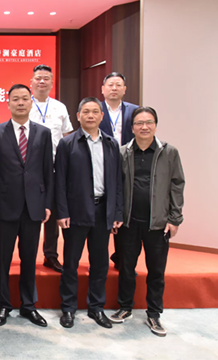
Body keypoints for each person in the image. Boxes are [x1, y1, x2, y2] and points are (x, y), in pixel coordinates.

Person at [109, 107, 185, 337]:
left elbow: (177, 184)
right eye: (139, 123)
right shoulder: (123, 152)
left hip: (158, 224)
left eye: (149, 122)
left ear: (155, 125)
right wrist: (116, 215)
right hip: (129, 222)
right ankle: (125, 307)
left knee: (156, 271)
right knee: (126, 268)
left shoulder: (169, 152)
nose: (144, 127)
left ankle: (154, 313)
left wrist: (175, 218)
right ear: (132, 128)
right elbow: (115, 186)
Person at [0, 84, 54, 327]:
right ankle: (3, 304)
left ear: (31, 102)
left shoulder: (44, 133)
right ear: (8, 103)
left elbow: (48, 171)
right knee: (3, 259)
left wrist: (47, 203)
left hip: (33, 206)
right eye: (16, 99)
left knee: (29, 258)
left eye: (25, 98)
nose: (21, 102)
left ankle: (28, 305)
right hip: (4, 206)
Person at [55, 97, 123, 330]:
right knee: (71, 262)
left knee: (100, 262)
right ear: (78, 116)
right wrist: (62, 211)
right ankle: (68, 308)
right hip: (75, 211)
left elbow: (117, 182)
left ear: (102, 116)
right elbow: (59, 180)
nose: (91, 115)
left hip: (103, 210)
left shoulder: (111, 144)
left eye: (95, 111)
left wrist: (117, 212)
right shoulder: (67, 144)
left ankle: (96, 307)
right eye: (86, 111)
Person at [28, 64, 74, 274]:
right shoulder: (25, 105)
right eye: (38, 78)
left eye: (46, 78)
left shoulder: (59, 107)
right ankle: (28, 254)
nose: (42, 81)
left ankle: (51, 254)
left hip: (55, 167)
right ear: (31, 82)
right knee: (30, 212)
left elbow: (67, 136)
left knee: (53, 211)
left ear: (52, 83)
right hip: (31, 168)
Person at [97, 72, 139, 270]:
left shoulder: (134, 111)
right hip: (101, 165)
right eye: (110, 85)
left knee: (125, 209)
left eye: (118, 85)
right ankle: (100, 259)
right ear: (102, 89)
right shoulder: (95, 109)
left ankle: (121, 257)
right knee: (104, 210)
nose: (114, 88)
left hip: (128, 165)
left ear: (124, 89)